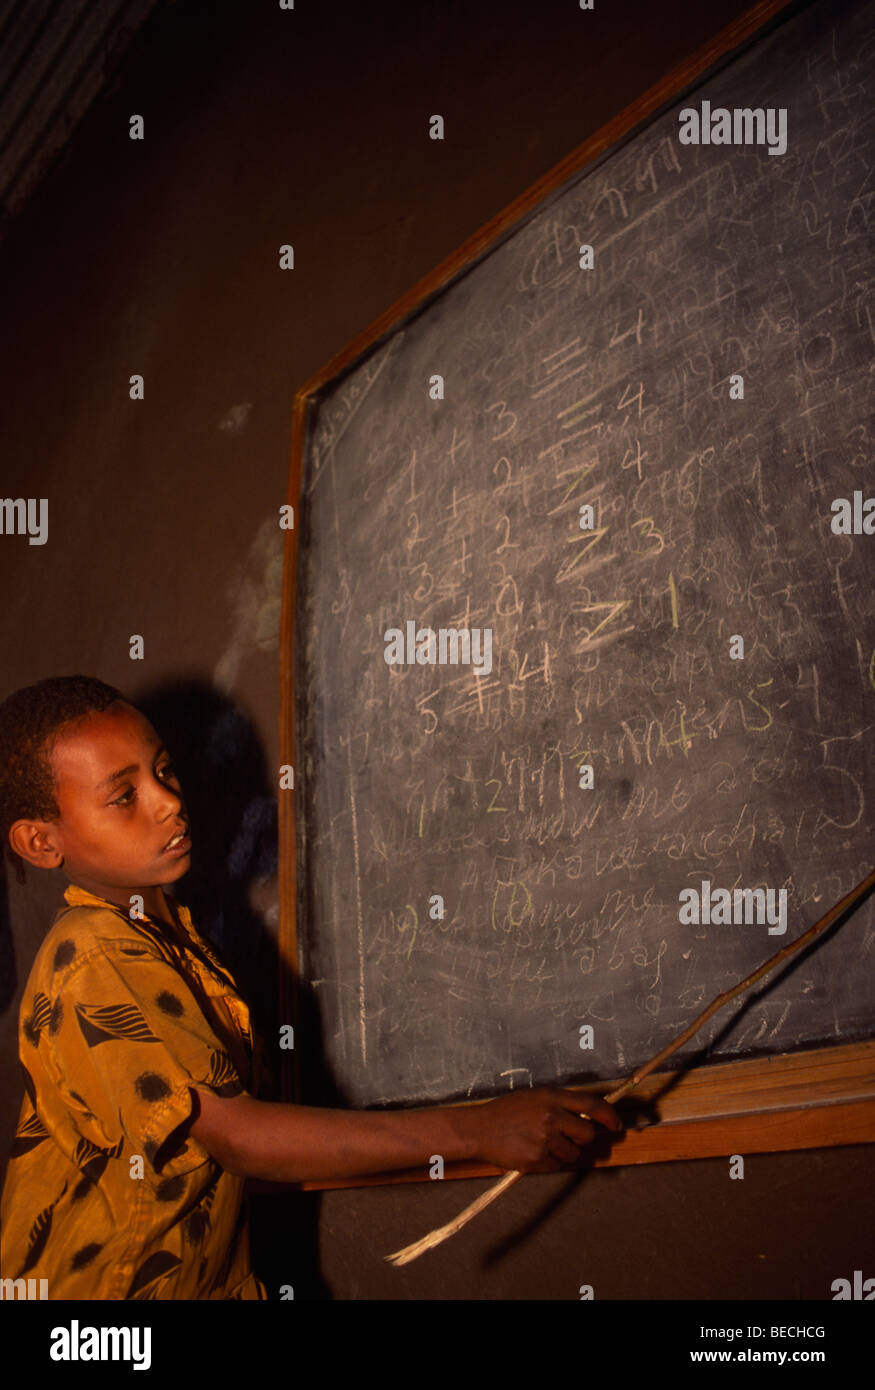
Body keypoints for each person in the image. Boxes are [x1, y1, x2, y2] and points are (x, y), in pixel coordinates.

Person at [0, 675, 622, 1299]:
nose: (167, 800)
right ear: (40, 842)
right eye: (124, 795)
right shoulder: (92, 951)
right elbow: (239, 1137)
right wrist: (475, 1131)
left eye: (163, 770)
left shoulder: (172, 942)